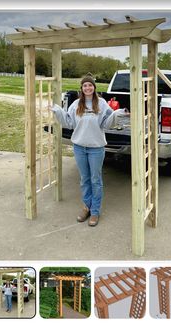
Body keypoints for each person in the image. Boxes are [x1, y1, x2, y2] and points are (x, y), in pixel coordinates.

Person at [52, 74, 128, 227]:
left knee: (95, 180)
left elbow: (107, 123)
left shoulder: (101, 103)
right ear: (81, 88)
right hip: (79, 147)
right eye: (85, 85)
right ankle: (86, 207)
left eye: (90, 85)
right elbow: (68, 122)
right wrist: (57, 111)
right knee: (84, 179)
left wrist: (117, 114)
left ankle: (95, 211)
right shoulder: (75, 105)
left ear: (94, 87)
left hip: (96, 148)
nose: (88, 88)